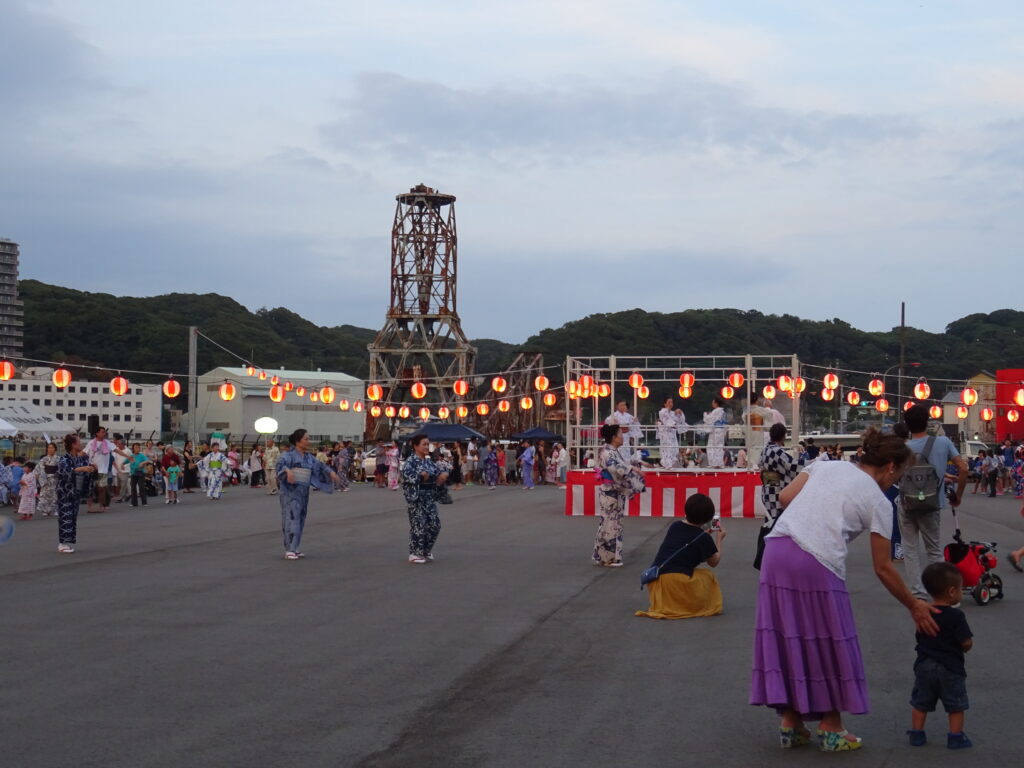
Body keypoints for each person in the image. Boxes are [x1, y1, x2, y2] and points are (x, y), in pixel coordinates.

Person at [749, 427, 939, 752]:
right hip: (816, 559)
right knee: (828, 639)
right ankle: (832, 727)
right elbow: (883, 567)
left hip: (777, 549)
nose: (898, 481)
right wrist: (914, 604)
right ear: (891, 466)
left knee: (790, 634)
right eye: (901, 474)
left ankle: (791, 722)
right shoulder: (879, 501)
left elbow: (784, 498)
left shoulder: (825, 465)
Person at [901, 405, 968, 599]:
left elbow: (896, 475)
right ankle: (941, 593)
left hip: (907, 504)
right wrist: (959, 496)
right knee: (934, 550)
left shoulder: (903, 448)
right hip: (932, 504)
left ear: (907, 425)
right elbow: (963, 469)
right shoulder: (943, 442)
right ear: (928, 422)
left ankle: (918, 593)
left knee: (910, 549)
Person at [906, 562, 974, 749]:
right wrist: (966, 647)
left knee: (920, 702)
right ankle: (955, 737)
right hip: (950, 668)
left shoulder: (924, 614)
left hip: (924, 665)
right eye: (960, 589)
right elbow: (966, 641)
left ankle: (917, 734)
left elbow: (920, 636)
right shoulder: (956, 616)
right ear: (952, 591)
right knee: (955, 704)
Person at [636, 493, 725, 619]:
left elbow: (686, 541)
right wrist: (719, 539)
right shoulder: (703, 538)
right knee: (707, 575)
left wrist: (705, 536)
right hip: (677, 581)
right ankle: (690, 605)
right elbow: (714, 562)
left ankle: (668, 603)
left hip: (657, 580)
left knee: (687, 570)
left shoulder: (675, 526)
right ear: (708, 518)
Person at [275, 428, 339, 560]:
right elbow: (280, 467)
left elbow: (320, 466)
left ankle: (295, 547)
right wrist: (288, 471)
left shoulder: (309, 457)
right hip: (290, 491)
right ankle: (289, 549)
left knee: (301, 518)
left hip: (303, 491)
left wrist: (330, 472)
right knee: (291, 518)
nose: (308, 441)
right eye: (306, 439)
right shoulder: (287, 455)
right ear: (298, 441)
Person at [754, 423, 806, 569]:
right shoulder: (776, 451)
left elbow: (761, 466)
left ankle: (768, 555)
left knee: (770, 522)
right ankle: (774, 555)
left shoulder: (766, 450)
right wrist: (812, 463)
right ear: (783, 436)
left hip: (768, 488)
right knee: (778, 523)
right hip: (777, 491)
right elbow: (792, 467)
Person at [592, 423, 644, 567]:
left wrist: (635, 463)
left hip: (613, 491)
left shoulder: (611, 451)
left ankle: (601, 555)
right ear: (614, 438)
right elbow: (616, 469)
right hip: (611, 491)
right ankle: (609, 558)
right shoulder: (608, 452)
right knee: (611, 523)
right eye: (620, 435)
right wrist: (632, 468)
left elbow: (621, 466)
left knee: (608, 522)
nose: (622, 437)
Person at [401, 433, 449, 564]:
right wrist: (420, 476)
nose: (427, 447)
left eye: (428, 444)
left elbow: (438, 473)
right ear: (415, 446)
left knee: (435, 525)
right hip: (416, 497)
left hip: (429, 497)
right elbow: (406, 476)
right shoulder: (410, 462)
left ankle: (425, 550)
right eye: (424, 444)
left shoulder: (428, 461)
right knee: (419, 525)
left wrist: (442, 476)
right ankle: (415, 553)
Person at [56, 433, 98, 554]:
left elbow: (86, 470)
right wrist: (81, 469)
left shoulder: (81, 458)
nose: (81, 444)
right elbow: (64, 472)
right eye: (79, 442)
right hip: (65, 492)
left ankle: (66, 542)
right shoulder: (64, 459)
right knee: (65, 516)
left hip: (76, 492)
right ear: (73, 444)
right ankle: (62, 544)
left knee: (72, 517)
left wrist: (91, 468)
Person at [84, 426, 130, 513]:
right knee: (91, 488)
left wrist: (127, 456)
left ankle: (102, 505)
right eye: (102, 432)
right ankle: (90, 506)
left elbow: (117, 450)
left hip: (103, 470)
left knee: (101, 488)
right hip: (91, 469)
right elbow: (84, 453)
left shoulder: (107, 443)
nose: (104, 433)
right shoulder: (91, 443)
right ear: (97, 433)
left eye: (104, 432)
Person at [657, 397, 688, 468]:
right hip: (666, 435)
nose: (671, 404)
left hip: (673, 435)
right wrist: (675, 425)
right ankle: (667, 465)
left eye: (672, 402)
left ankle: (670, 465)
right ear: (665, 404)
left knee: (674, 450)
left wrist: (680, 413)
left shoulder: (673, 413)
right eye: (669, 402)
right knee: (667, 449)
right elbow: (669, 423)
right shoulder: (662, 411)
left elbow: (681, 421)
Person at [701, 397, 729, 469]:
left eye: (713, 402)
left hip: (716, 431)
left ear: (716, 403)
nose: (712, 404)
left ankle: (713, 463)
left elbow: (709, 419)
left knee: (711, 447)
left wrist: (706, 414)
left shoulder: (716, 411)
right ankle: (719, 463)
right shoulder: (723, 412)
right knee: (719, 447)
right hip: (722, 431)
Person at [35, 443, 60, 518]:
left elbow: (61, 469)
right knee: (45, 495)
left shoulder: (58, 459)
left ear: (55, 449)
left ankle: (55, 510)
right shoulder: (44, 459)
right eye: (48, 448)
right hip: (45, 479)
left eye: (52, 447)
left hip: (55, 478)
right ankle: (45, 510)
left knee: (55, 495)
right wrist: (39, 477)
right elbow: (38, 469)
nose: (50, 449)